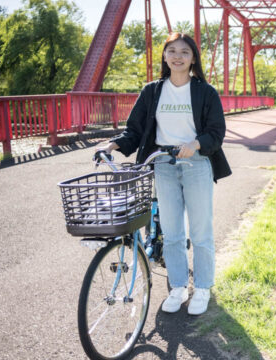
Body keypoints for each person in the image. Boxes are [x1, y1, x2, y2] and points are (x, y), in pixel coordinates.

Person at [96, 32, 231, 315]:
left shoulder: (205, 92)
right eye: (172, 51)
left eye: (184, 52)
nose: (177, 56)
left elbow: (216, 132)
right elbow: (135, 130)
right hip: (163, 165)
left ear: (193, 58)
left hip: (195, 164)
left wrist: (195, 144)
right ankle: (179, 286)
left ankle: (203, 287)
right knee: (171, 232)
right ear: (165, 56)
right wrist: (112, 144)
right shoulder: (152, 91)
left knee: (201, 231)